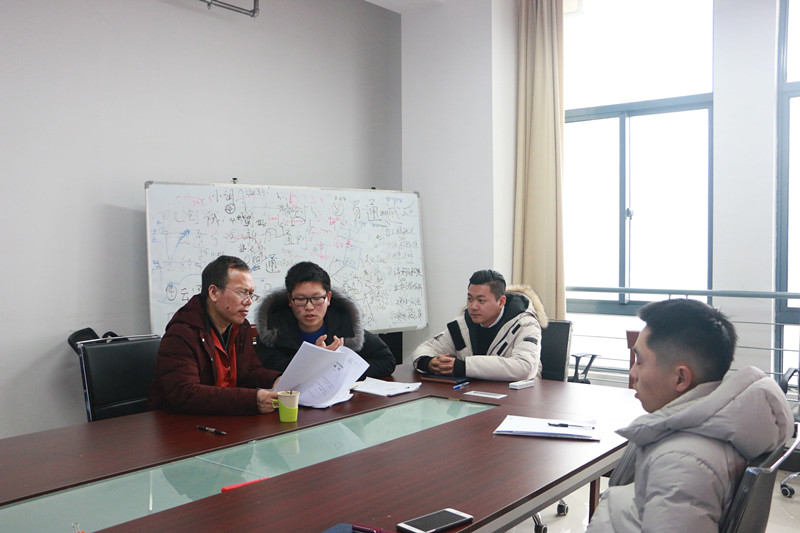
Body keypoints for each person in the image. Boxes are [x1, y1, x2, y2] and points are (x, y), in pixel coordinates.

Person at [586, 299, 794, 533]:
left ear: (681, 378)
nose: (632, 372)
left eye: (640, 361)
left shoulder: (681, 464)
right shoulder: (714, 431)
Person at [148, 255, 281, 415]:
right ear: (213, 292)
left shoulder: (241, 327)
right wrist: (253, 400)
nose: (249, 301)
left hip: (226, 416)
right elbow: (185, 393)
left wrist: (275, 380)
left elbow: (250, 372)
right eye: (242, 292)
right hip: (182, 423)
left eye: (251, 294)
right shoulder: (182, 333)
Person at [254, 261, 396, 378]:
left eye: (317, 298)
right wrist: (313, 359)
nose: (309, 307)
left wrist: (339, 368)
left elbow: (387, 362)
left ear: (328, 298)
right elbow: (265, 370)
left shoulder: (346, 327)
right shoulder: (272, 332)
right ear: (290, 300)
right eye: (300, 299)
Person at [412, 269, 547, 381]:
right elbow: (427, 348)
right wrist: (429, 363)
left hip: (517, 398)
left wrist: (463, 367)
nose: (473, 307)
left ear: (501, 302)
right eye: (469, 299)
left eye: (481, 301)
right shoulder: (463, 324)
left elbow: (525, 368)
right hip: (472, 396)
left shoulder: (526, 324)